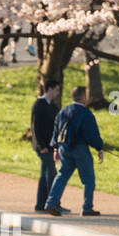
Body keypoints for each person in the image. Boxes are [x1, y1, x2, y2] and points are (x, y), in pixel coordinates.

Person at [44, 85, 105, 217]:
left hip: (63, 148)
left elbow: (56, 130)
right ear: (83, 97)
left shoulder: (63, 111)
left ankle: (51, 202)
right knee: (88, 179)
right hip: (80, 148)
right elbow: (92, 134)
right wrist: (99, 147)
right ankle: (87, 207)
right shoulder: (86, 113)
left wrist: (55, 148)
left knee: (62, 175)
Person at [31, 78, 61, 213]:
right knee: (52, 174)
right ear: (49, 89)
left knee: (44, 176)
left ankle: (40, 205)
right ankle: (53, 203)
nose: (57, 93)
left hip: (50, 146)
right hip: (42, 147)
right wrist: (41, 145)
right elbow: (35, 127)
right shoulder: (39, 104)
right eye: (56, 90)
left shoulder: (53, 106)